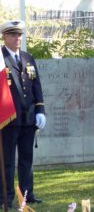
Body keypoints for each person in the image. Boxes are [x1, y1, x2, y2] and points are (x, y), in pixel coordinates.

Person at [0, 20, 46, 208]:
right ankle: (6, 197)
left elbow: (36, 86)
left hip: (28, 118)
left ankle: (27, 194)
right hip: (8, 120)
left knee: (27, 159)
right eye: (13, 35)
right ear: (4, 37)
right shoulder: (0, 59)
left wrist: (40, 110)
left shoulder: (27, 57)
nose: (17, 38)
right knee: (7, 162)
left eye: (19, 35)